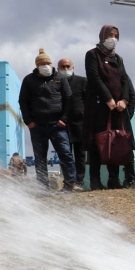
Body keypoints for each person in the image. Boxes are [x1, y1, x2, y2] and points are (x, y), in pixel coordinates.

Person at [83, 25, 135, 190]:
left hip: (117, 109)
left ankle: (114, 179)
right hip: (98, 107)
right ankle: (95, 180)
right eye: (110, 35)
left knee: (115, 142)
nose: (113, 38)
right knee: (96, 143)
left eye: (116, 35)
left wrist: (124, 100)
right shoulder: (92, 55)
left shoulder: (118, 58)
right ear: (102, 36)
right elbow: (94, 77)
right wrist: (108, 98)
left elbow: (124, 80)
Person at [18, 48, 77, 193]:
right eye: (42, 63)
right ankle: (43, 188)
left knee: (65, 154)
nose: (46, 65)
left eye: (48, 63)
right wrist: (29, 121)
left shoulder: (60, 78)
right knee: (40, 158)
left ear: (51, 64)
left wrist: (64, 119)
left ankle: (70, 184)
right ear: (37, 65)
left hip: (57, 124)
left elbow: (69, 99)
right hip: (37, 126)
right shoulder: (29, 80)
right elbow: (23, 101)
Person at [58, 58, 87, 188]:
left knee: (80, 155)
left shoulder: (82, 81)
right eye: (62, 67)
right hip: (62, 125)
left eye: (68, 66)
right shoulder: (55, 83)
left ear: (73, 67)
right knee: (65, 155)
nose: (65, 69)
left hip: (80, 124)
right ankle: (69, 182)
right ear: (58, 69)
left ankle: (79, 181)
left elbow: (89, 102)